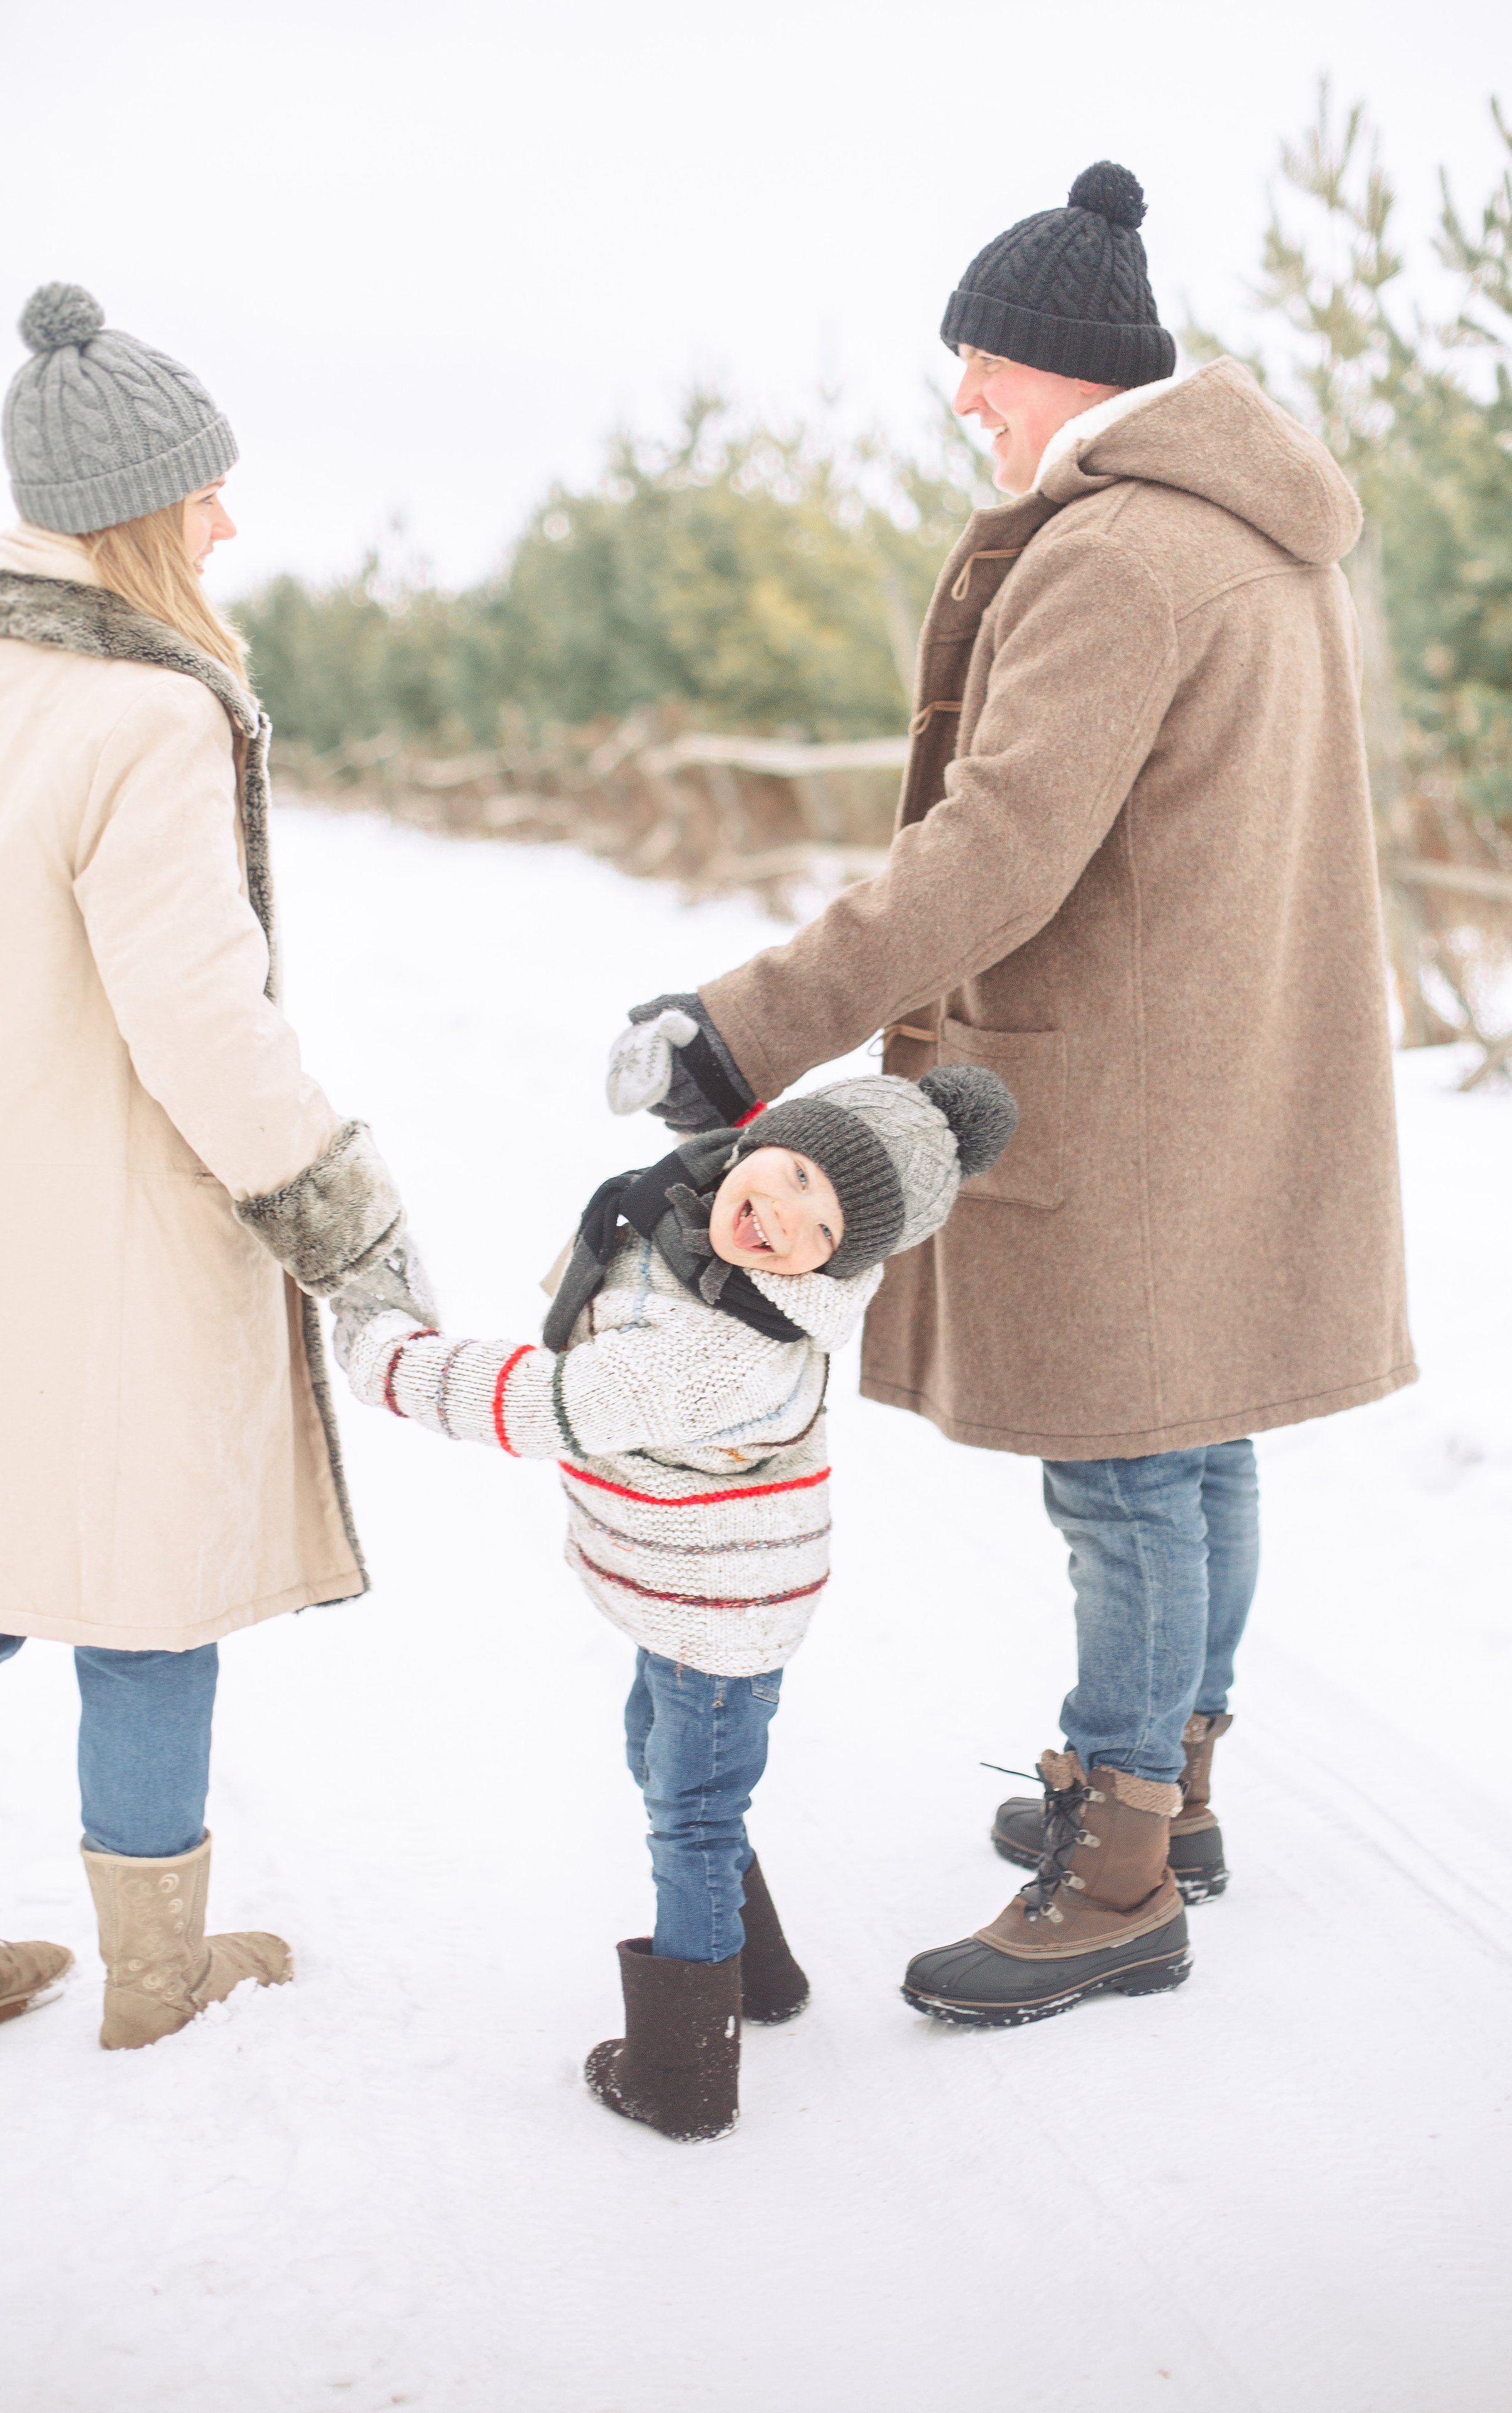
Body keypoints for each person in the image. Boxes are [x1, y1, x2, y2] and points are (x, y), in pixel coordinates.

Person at [602, 161, 1416, 2028]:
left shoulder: (1120, 550)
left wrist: (745, 1029)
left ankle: (1118, 1872)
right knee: (1196, 1440)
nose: (964, 395)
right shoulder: (1255, 534)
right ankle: (1169, 1791)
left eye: (984, 362)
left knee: (1124, 1472)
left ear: (1066, 366)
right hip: (1224, 1060)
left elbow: (996, 851)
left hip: (1118, 1088)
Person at [0, 285, 433, 2049]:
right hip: (106, 1239)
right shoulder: (146, 714)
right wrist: (341, 1214)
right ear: (134, 517)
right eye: (204, 494)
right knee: (142, 1591)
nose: (228, 524)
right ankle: (157, 1979)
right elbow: (202, 1025)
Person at [334, 1061, 1016, 2137]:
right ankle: (757, 1975)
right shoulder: (703, 1223)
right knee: (665, 1765)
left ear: (843, 1261)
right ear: (761, 1141)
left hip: (721, 1612)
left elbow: (548, 1403)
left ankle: (683, 2075)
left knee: (693, 1813)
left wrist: (387, 1356)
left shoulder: (721, 1347)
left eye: (823, 1227)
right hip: (693, 1596)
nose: (783, 1216)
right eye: (794, 1173)